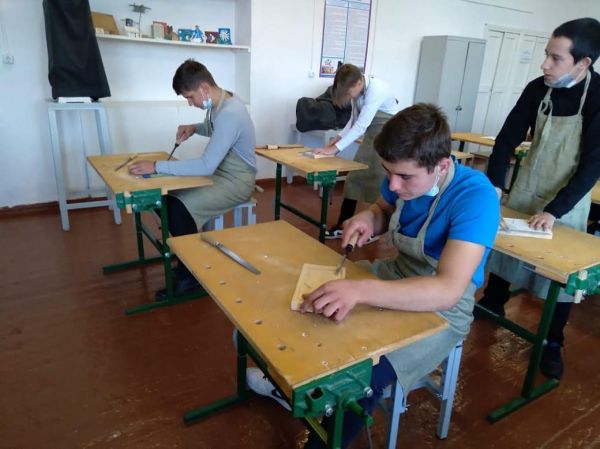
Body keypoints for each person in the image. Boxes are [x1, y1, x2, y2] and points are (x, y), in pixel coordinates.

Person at [247, 103, 500, 448]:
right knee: (309, 302)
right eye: (388, 172)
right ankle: (290, 388)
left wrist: (361, 291)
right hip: (395, 274)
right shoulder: (401, 176)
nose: (393, 184)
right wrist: (368, 219)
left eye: (405, 177)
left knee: (360, 375)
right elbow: (383, 208)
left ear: (442, 166)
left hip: (441, 310)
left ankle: (324, 438)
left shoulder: (475, 197)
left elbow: (447, 290)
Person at [475, 18, 600, 380]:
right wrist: (495, 185)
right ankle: (493, 302)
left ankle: (552, 342)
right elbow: (506, 139)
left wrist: (554, 210)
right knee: (505, 251)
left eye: (555, 58)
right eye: (546, 54)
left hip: (567, 200)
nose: (545, 64)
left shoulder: (597, 96)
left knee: (559, 274)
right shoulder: (537, 88)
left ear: (583, 63)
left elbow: (592, 165)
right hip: (528, 185)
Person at [129, 59, 256, 300]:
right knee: (166, 199)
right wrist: (195, 127)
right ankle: (188, 258)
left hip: (237, 181)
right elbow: (216, 129)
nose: (189, 103)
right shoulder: (222, 102)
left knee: (177, 209)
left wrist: (156, 166)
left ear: (204, 89)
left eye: (189, 97)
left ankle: (190, 277)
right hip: (220, 173)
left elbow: (206, 165)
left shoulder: (231, 112)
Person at [312, 63, 401, 241]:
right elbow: (353, 121)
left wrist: (334, 149)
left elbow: (360, 126)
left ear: (359, 82)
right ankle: (343, 225)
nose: (349, 95)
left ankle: (373, 229)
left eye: (349, 91)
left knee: (375, 179)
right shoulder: (358, 91)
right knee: (355, 179)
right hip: (372, 131)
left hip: (387, 131)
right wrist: (337, 139)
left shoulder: (376, 89)